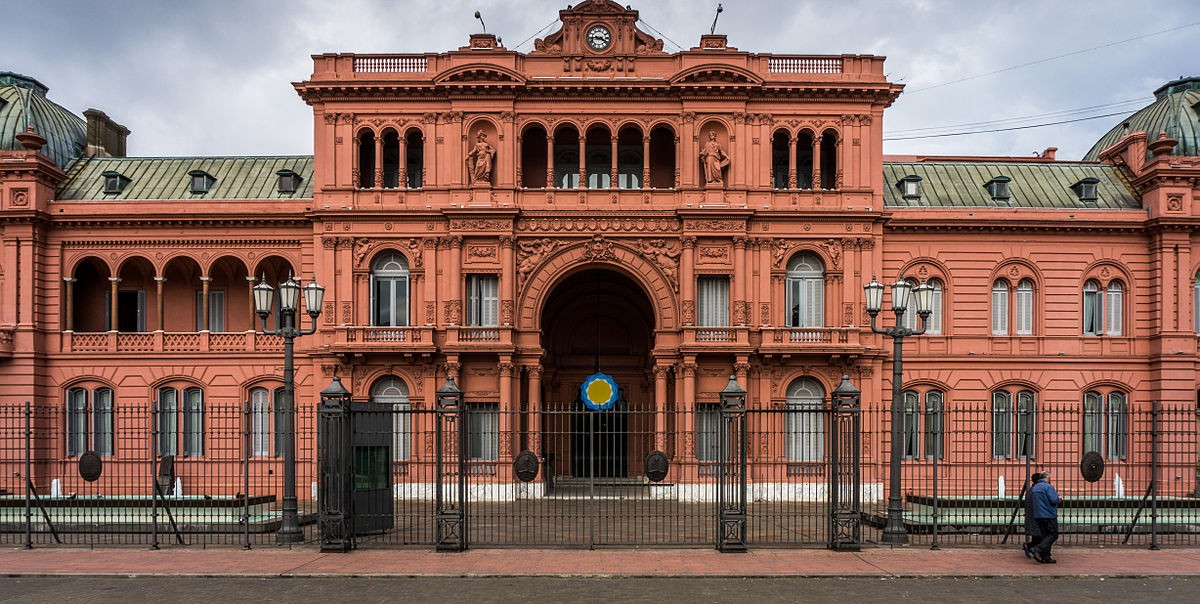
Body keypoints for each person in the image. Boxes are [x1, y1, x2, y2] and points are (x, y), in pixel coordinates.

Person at [1030, 469, 1062, 564]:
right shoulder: (1048, 487)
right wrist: (1059, 498)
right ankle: (1039, 549)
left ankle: (1046, 556)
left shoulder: (1035, 488)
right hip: (1049, 515)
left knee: (1045, 535)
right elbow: (1053, 500)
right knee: (1053, 534)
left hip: (1038, 515)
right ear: (1047, 477)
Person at [1022, 472, 1043, 559]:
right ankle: (1031, 547)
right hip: (1036, 516)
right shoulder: (1036, 490)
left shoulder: (1031, 490)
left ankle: (1031, 547)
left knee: (1036, 536)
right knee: (1040, 535)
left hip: (1032, 515)